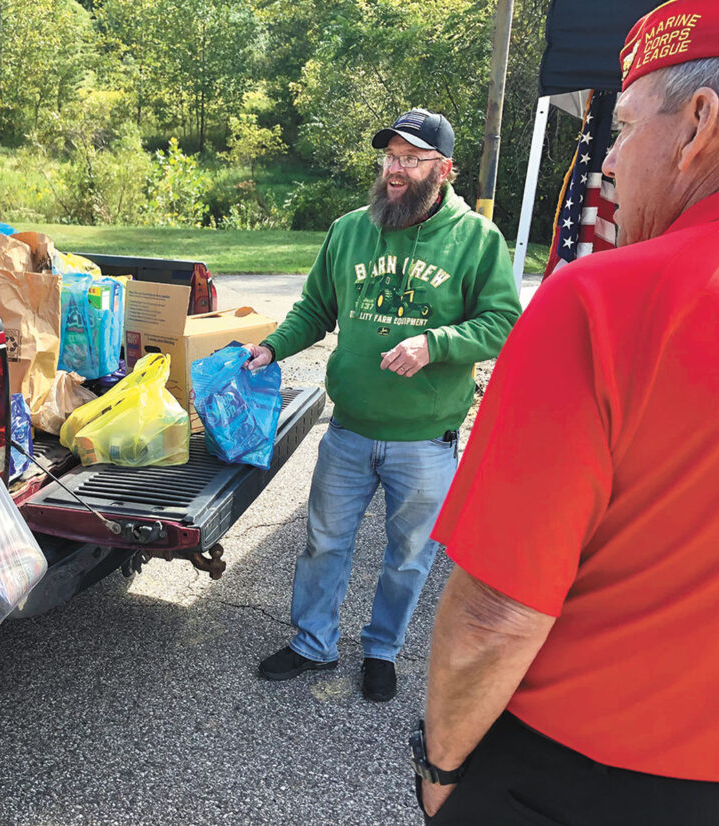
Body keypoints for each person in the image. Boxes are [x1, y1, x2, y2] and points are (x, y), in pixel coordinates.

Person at [416, 2, 719, 823]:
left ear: (699, 122)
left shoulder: (603, 301)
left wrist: (441, 766)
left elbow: (495, 613)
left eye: (624, 129)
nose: (609, 164)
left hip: (579, 773)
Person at [250, 109, 521, 701]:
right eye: (390, 157)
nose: (395, 170)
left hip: (424, 439)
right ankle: (313, 642)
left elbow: (504, 323)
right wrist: (271, 348)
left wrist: (435, 344)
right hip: (348, 429)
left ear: (443, 170)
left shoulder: (477, 240)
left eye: (411, 160)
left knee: (409, 557)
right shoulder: (349, 230)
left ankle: (381, 650)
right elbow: (315, 308)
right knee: (324, 543)